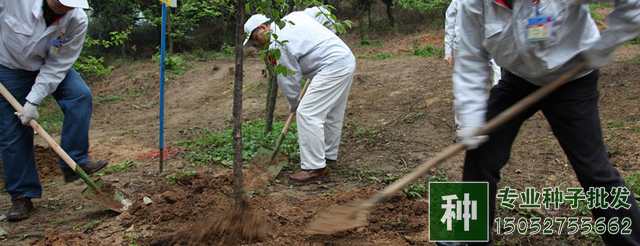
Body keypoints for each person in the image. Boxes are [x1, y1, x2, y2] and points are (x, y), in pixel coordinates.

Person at [450, 0, 640, 245]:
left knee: (594, 169)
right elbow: (470, 60)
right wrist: (470, 119)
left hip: (573, 78)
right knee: (479, 152)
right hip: (518, 79)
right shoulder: (473, 4)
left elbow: (633, 6)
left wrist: (604, 45)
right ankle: (467, 237)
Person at [0, 0, 108, 222]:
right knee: (13, 132)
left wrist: (33, 101)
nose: (63, 7)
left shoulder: (77, 20)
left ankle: (74, 161)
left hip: (48, 65)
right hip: (9, 67)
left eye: (68, 4)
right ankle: (22, 195)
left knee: (79, 95)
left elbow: (58, 65)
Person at [243, 10, 356, 183]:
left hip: (331, 66)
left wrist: (295, 104)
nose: (255, 43)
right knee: (332, 112)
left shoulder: (276, 45)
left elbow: (288, 78)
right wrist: (330, 34)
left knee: (307, 113)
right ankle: (328, 156)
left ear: (264, 27)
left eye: (254, 38)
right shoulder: (294, 17)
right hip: (344, 58)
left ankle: (315, 168)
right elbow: (321, 12)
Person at [444, 0, 501, 141]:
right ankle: (462, 126)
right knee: (465, 85)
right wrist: (448, 51)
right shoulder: (457, 2)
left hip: (490, 42)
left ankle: (492, 119)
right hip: (463, 45)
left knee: (497, 80)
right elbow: (449, 23)